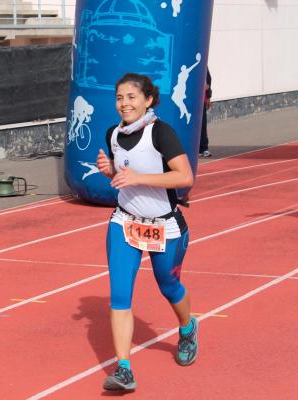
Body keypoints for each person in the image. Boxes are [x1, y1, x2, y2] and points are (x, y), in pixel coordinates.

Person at [96, 73, 197, 392]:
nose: (124, 103)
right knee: (120, 294)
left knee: (168, 284)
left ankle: (187, 326)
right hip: (124, 223)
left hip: (163, 225)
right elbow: (122, 173)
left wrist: (139, 178)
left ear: (148, 100)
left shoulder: (161, 133)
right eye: (119, 97)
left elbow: (185, 178)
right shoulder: (112, 133)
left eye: (131, 97)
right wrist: (109, 170)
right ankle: (123, 368)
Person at [199, 68, 212, 157]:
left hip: (200, 101)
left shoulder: (203, 66)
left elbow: (208, 79)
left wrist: (208, 96)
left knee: (202, 124)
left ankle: (203, 148)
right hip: (187, 100)